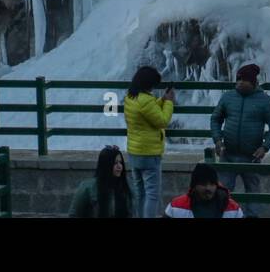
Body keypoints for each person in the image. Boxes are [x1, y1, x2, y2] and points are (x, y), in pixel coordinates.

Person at [210, 63, 270, 216]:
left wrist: (265, 147)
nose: (240, 83)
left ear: (254, 82)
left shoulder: (265, 100)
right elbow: (216, 119)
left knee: (253, 193)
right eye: (238, 80)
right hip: (227, 155)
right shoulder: (228, 97)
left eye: (244, 80)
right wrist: (217, 140)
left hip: (251, 157)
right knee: (222, 193)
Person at [124, 65, 175, 218]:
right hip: (149, 154)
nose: (154, 88)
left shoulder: (130, 97)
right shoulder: (146, 101)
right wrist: (169, 102)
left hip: (134, 152)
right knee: (152, 194)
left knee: (140, 193)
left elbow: (148, 111)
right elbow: (162, 120)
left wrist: (161, 100)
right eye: (153, 84)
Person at [69, 145, 134, 218]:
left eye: (121, 162)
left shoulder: (127, 185)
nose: (119, 166)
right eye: (115, 163)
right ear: (106, 165)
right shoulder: (88, 187)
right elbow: (74, 214)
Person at [164, 163, 244, 219]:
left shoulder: (234, 209)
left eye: (212, 184)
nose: (208, 188)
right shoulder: (175, 207)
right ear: (194, 185)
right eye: (203, 184)